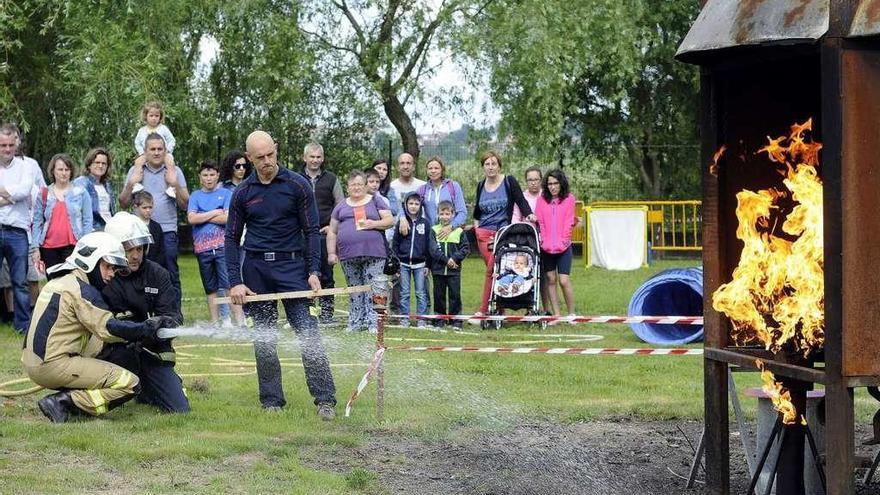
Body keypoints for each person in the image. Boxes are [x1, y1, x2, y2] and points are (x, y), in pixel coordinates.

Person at [226, 130, 337, 420]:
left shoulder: (298, 185)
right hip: (256, 271)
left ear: (276, 149)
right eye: (260, 158)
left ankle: (325, 400)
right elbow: (231, 238)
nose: (267, 162)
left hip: (293, 269)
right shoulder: (243, 193)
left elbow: (312, 231)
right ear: (249, 158)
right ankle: (272, 402)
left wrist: (314, 271)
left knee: (308, 334)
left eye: (270, 154)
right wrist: (235, 281)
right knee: (265, 339)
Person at [21, 231, 176, 423]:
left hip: (34, 361)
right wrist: (146, 328)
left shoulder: (61, 281)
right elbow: (108, 328)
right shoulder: (82, 290)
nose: (112, 274)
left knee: (101, 346)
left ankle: (72, 394)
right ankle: (65, 402)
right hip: (53, 366)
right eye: (108, 267)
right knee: (129, 383)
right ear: (91, 261)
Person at [100, 212, 189, 413]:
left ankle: (149, 387)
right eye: (129, 249)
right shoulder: (105, 278)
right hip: (115, 354)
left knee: (179, 408)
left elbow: (174, 316)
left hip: (151, 352)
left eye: (139, 248)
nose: (135, 255)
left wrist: (161, 323)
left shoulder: (158, 275)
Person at [119, 133, 189, 304]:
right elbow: (123, 203)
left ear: (165, 151)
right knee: (139, 271)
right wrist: (131, 183)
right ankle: (142, 310)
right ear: (145, 152)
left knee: (170, 272)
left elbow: (185, 204)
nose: (157, 153)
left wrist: (175, 183)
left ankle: (173, 312)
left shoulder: (174, 171)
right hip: (140, 232)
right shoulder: (136, 171)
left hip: (167, 231)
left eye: (160, 149)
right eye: (152, 149)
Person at [471, 151, 535, 323]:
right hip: (483, 234)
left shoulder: (509, 181)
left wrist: (529, 215)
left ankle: (483, 311)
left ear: (499, 166)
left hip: (502, 234)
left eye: (493, 164)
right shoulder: (480, 185)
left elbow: (521, 201)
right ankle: (498, 308)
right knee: (496, 272)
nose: (490, 167)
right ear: (483, 167)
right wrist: (476, 228)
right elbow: (477, 210)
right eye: (487, 164)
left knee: (492, 269)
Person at [326, 171, 394, 333]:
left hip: (374, 254)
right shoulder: (340, 206)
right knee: (354, 289)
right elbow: (332, 231)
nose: (356, 188)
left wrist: (373, 224)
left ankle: (373, 323)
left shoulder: (375, 200)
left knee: (374, 288)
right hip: (348, 255)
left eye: (359, 184)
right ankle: (356, 322)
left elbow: (390, 221)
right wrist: (331, 253)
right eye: (352, 185)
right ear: (347, 188)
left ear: (365, 186)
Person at [187, 160, 240, 326]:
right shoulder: (195, 196)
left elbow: (227, 218)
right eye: (205, 175)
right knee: (210, 288)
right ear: (200, 177)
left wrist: (202, 215)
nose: (208, 178)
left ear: (217, 175)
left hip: (222, 247)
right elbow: (191, 218)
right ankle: (215, 322)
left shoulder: (225, 194)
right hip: (202, 249)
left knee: (228, 285)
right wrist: (214, 212)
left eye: (212, 175)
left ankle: (240, 322)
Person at [298, 142, 343, 325]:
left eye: (318, 157)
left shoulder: (331, 179)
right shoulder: (295, 178)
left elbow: (340, 205)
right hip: (301, 235)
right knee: (303, 275)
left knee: (326, 276)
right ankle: (307, 315)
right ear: (305, 158)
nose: (315, 160)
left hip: (325, 234)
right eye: (312, 156)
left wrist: (332, 227)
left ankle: (326, 315)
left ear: (322, 159)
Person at [31, 153, 93, 279]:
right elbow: (37, 222)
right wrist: (35, 247)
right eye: (60, 169)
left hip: (73, 246)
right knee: (54, 284)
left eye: (67, 169)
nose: (64, 173)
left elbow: (87, 220)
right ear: (53, 171)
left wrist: (85, 243)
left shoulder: (81, 192)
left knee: (74, 282)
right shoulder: (44, 193)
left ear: (71, 171)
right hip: (48, 248)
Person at [0, 123, 37, 334]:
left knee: (20, 282)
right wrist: (11, 196)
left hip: (17, 231)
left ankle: (23, 325)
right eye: (2, 145)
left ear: (16, 144)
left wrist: (8, 195)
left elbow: (24, 191)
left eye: (10, 145)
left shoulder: (26, 167)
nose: (6, 149)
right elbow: (17, 194)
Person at [534, 169, 578, 321]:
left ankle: (572, 314)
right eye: (549, 183)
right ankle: (557, 314)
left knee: (564, 280)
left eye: (555, 183)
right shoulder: (541, 200)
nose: (552, 186)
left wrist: (565, 240)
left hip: (564, 248)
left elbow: (569, 221)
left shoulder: (569, 199)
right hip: (547, 248)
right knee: (550, 279)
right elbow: (540, 222)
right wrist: (544, 241)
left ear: (561, 184)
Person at [511, 166, 551, 312]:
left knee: (545, 277)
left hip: (545, 241)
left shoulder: (547, 196)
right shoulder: (521, 198)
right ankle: (531, 307)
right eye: (530, 180)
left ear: (541, 180)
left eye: (536, 179)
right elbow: (515, 219)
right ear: (526, 181)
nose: (533, 183)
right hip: (526, 242)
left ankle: (547, 309)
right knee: (528, 273)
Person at [428, 200, 469, 328]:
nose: (445, 217)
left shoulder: (459, 231)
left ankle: (455, 320)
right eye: (442, 214)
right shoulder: (434, 230)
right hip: (438, 270)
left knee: (455, 295)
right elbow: (433, 250)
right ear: (438, 215)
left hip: (454, 271)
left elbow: (465, 248)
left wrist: (454, 259)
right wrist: (447, 261)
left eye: (447, 214)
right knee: (439, 295)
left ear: (453, 215)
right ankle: (439, 319)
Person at [393, 192, 430, 328]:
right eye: (411, 203)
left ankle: (421, 320)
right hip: (403, 264)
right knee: (404, 293)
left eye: (416, 203)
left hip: (420, 264)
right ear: (406, 205)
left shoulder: (425, 224)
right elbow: (395, 244)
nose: (413, 206)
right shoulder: (401, 223)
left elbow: (428, 245)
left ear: (420, 206)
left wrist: (428, 265)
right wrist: (396, 264)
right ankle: (404, 319)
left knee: (421, 293)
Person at [132, 101, 176, 192]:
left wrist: (167, 151)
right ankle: (136, 184)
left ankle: (171, 187)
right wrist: (141, 153)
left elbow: (172, 140)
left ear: (160, 117)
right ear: (146, 116)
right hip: (146, 154)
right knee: (138, 162)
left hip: (162, 154)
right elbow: (137, 142)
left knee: (170, 162)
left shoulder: (163, 128)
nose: (154, 118)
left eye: (157, 116)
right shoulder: (142, 130)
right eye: (151, 116)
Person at [417, 156, 467, 236]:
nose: (433, 171)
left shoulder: (453, 186)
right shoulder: (422, 190)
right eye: (430, 168)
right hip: (431, 235)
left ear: (442, 170)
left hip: (451, 234)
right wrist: (402, 218)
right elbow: (409, 205)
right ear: (426, 171)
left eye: (436, 168)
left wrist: (451, 226)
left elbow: (462, 212)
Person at [74, 148, 116, 230]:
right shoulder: (81, 183)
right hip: (93, 229)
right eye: (97, 162)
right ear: (89, 165)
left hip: (109, 227)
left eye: (104, 163)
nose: (100, 166)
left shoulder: (107, 185)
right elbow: (75, 212)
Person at [131, 191, 165, 266]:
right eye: (144, 208)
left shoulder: (157, 227)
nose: (148, 210)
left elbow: (161, 251)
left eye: (150, 207)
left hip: (154, 266)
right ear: (136, 207)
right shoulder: (131, 225)